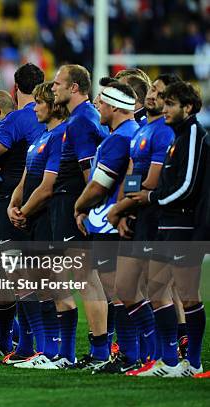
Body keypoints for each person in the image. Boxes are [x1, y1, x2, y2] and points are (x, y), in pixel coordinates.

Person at [127, 81, 207, 377]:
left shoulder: (195, 134)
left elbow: (187, 185)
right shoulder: (177, 135)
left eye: (171, 104)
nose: (166, 108)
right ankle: (169, 361)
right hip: (167, 223)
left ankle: (193, 362)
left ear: (187, 107)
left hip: (185, 226)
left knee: (188, 295)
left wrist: (153, 198)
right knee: (156, 287)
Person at [106, 74, 180, 375]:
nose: (152, 95)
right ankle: (151, 356)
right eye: (151, 89)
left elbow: (152, 181)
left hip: (155, 214)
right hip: (136, 213)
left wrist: (118, 209)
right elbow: (133, 176)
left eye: (160, 93)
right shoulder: (143, 130)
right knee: (125, 286)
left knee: (157, 288)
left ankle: (169, 358)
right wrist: (123, 212)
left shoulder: (163, 132)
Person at [0, 63, 45, 361]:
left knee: (10, 277)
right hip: (42, 203)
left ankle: (26, 345)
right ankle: (31, 344)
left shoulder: (17, 119)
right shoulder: (54, 119)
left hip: (12, 203)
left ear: (16, 88)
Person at [73, 82, 139, 373]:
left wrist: (79, 206)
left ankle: (129, 354)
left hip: (110, 222)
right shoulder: (131, 133)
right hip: (120, 219)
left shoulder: (118, 139)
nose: (97, 106)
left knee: (119, 291)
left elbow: (100, 185)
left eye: (101, 103)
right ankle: (135, 353)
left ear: (114, 107)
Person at [6, 81, 69, 369]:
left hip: (46, 218)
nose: (35, 109)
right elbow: (27, 175)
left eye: (39, 104)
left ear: (54, 105)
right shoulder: (42, 135)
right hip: (31, 218)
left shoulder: (59, 137)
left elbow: (47, 186)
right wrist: (14, 204)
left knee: (53, 288)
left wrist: (25, 211)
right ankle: (46, 350)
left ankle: (62, 352)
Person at [50, 64, 105, 368]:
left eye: (58, 83)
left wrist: (85, 209)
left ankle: (99, 351)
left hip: (76, 207)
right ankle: (77, 351)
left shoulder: (82, 120)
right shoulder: (80, 118)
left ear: (73, 88)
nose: (53, 88)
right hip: (68, 206)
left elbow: (90, 172)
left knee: (86, 279)